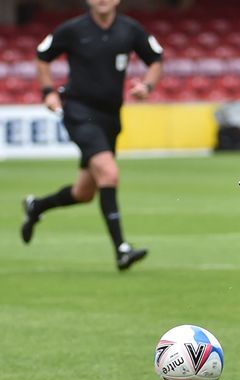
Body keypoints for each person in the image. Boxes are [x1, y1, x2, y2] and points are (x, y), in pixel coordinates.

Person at [21, 0, 162, 271]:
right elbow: (43, 56)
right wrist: (48, 91)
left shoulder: (130, 29)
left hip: (110, 116)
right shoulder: (73, 29)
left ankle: (36, 206)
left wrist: (147, 85)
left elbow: (155, 59)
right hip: (78, 111)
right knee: (109, 173)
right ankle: (122, 249)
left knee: (84, 192)